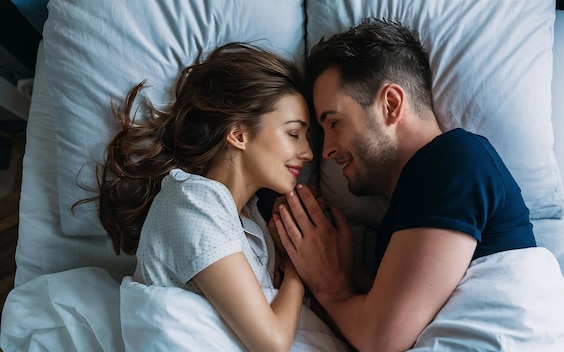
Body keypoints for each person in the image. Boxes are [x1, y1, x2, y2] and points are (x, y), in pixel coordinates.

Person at [272, 18, 538, 351]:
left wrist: (330, 284)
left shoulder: (454, 159)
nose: (326, 150)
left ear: (391, 104)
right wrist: (339, 264)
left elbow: (382, 337)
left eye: (334, 123)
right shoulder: (413, 199)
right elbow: (416, 316)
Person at [95, 42, 320, 351]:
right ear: (239, 135)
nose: (307, 153)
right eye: (294, 133)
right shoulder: (192, 202)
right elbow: (272, 343)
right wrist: (298, 268)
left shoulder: (248, 217)